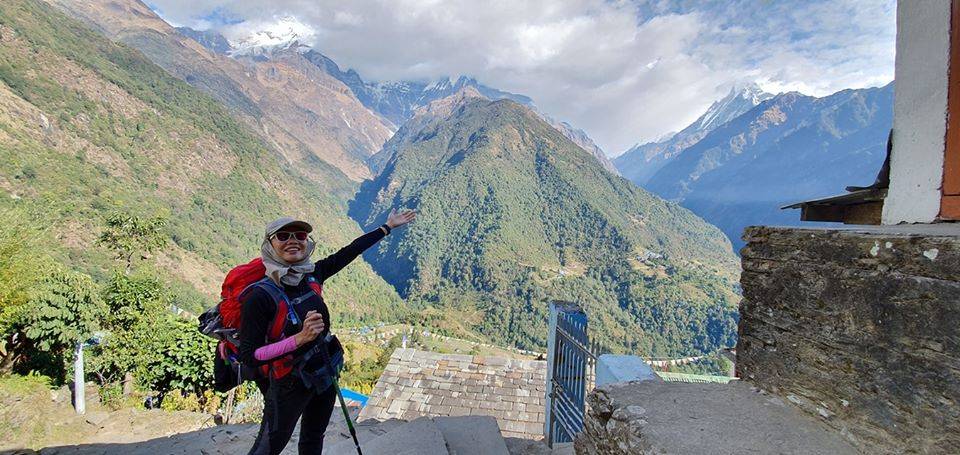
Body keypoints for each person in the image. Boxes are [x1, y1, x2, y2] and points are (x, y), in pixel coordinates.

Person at [240, 209, 416, 455]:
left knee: (314, 436)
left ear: (306, 242)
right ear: (269, 244)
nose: (293, 240)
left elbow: (350, 251)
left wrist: (387, 227)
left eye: (299, 235)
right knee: (269, 447)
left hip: (323, 372)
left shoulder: (311, 274)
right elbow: (249, 355)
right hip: (288, 383)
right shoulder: (259, 296)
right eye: (283, 236)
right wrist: (299, 339)